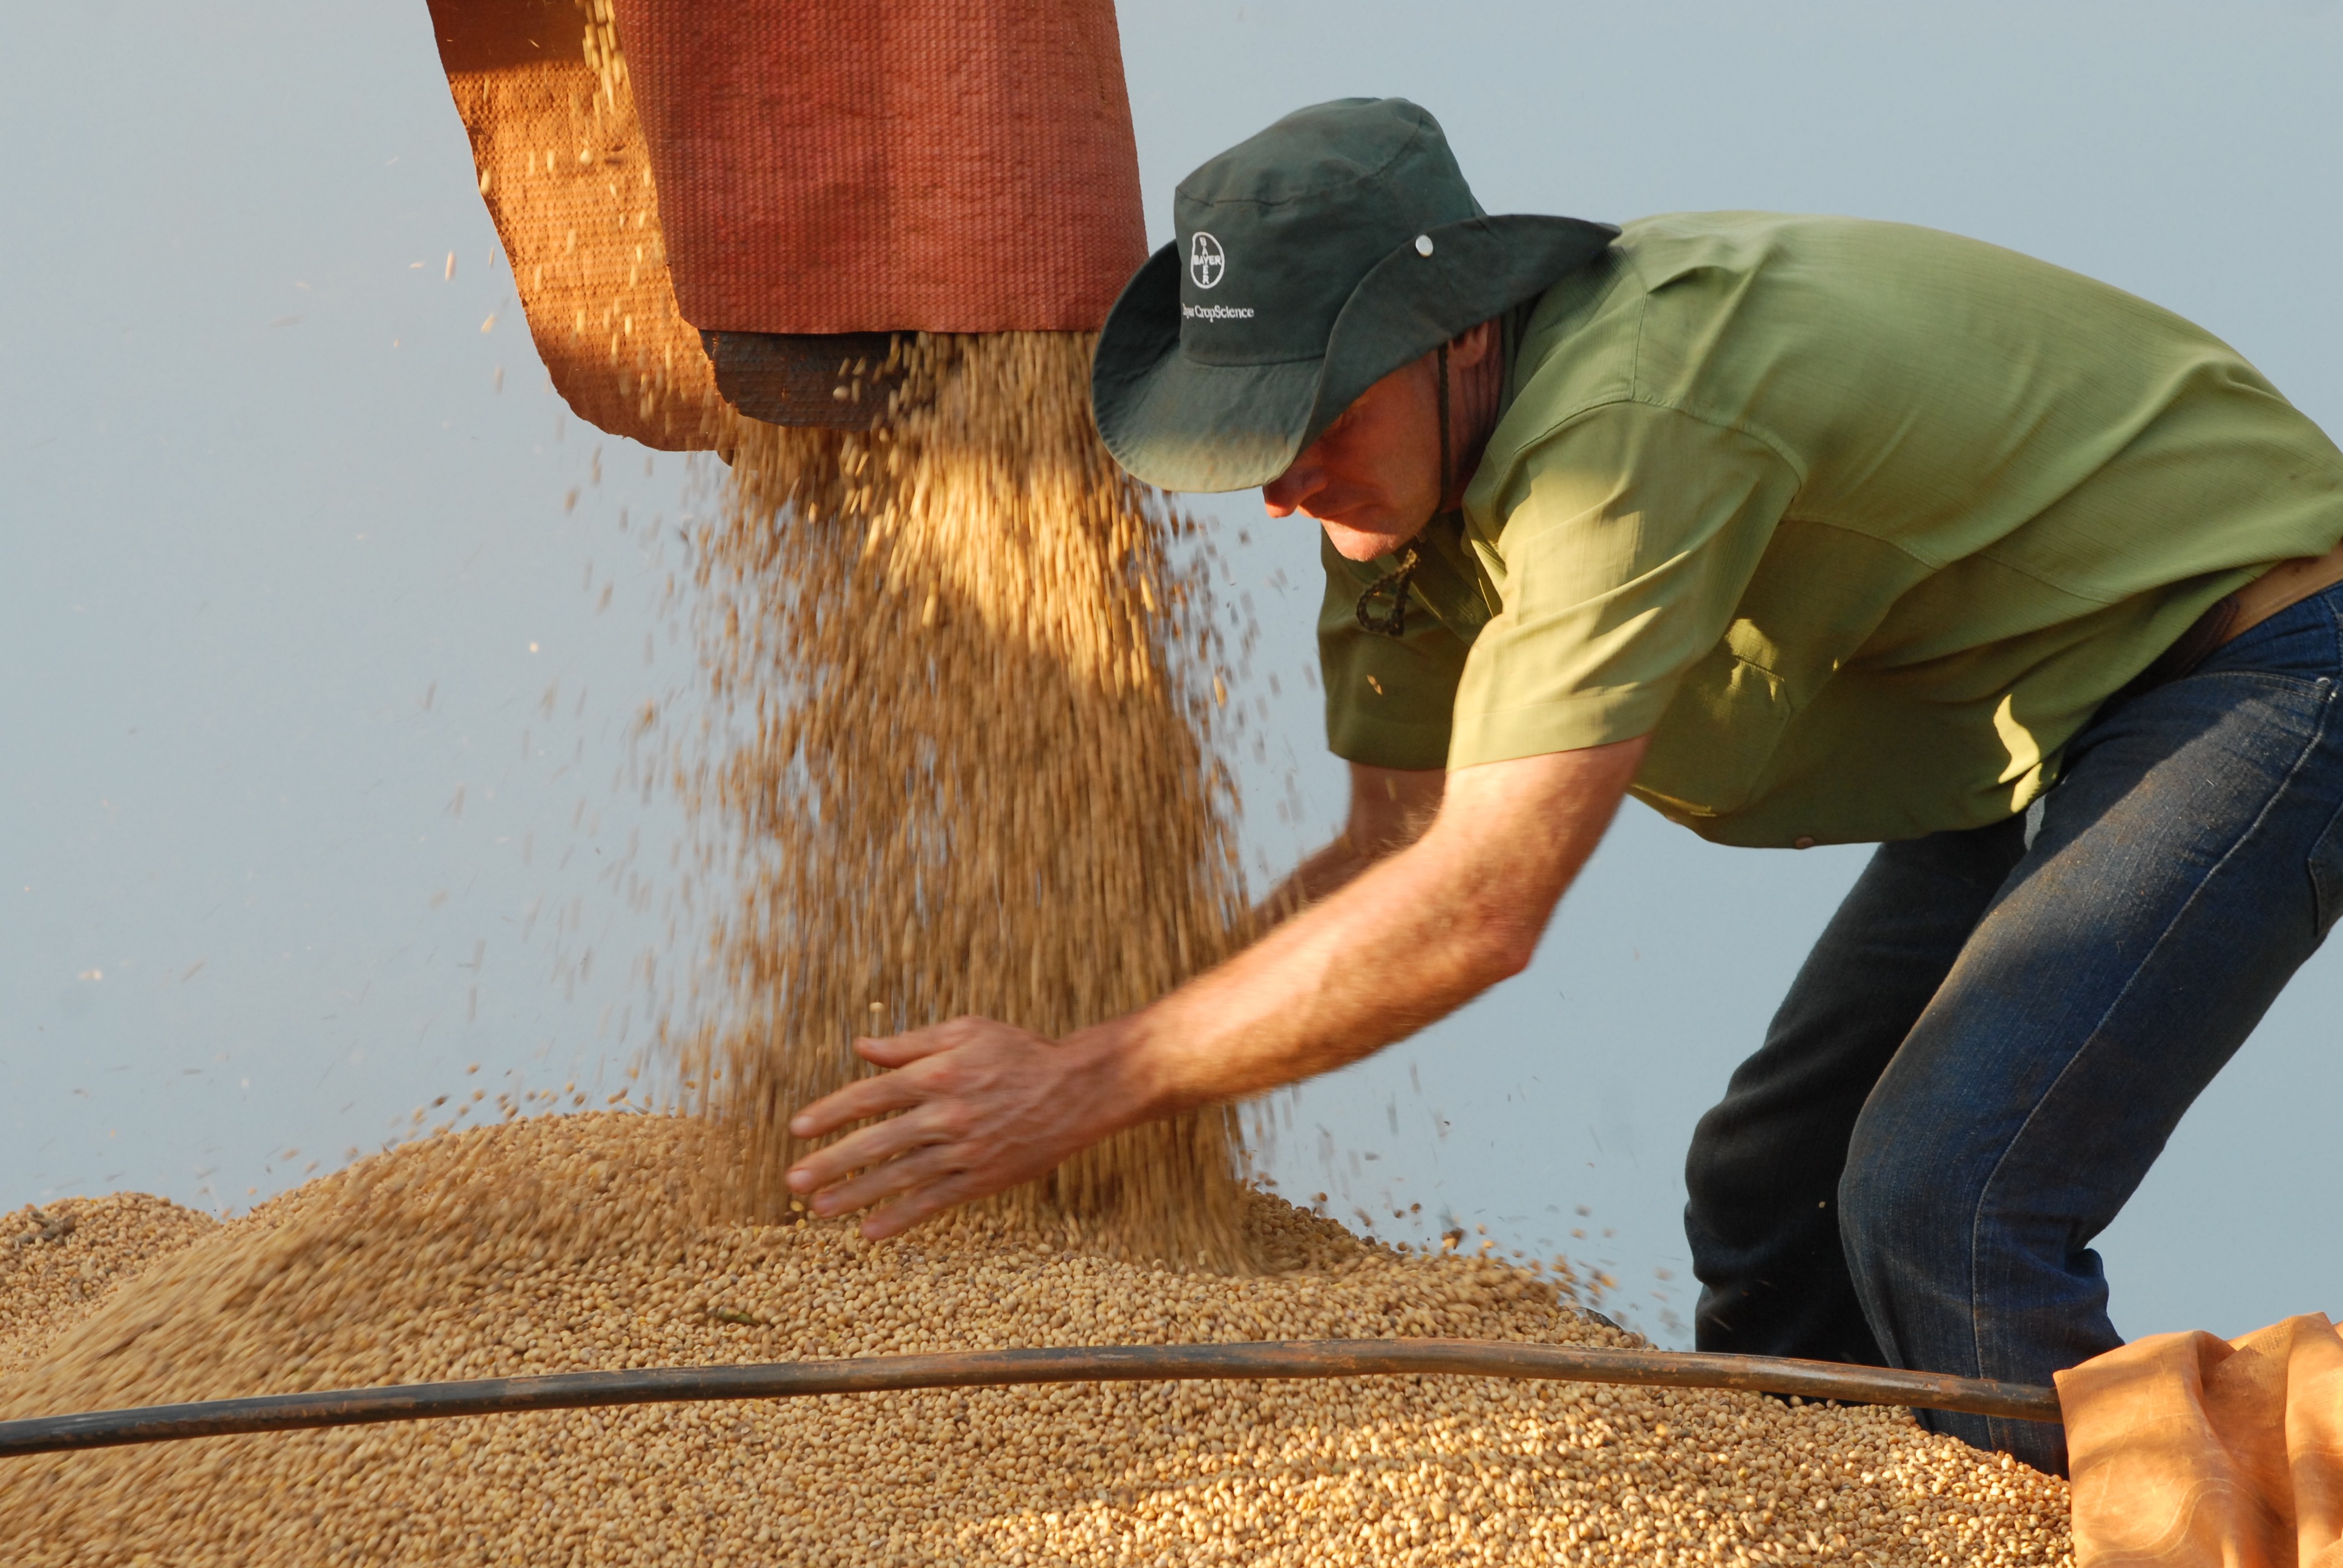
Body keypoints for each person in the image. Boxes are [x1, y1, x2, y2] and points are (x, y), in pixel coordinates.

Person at [784, 97, 2343, 1474]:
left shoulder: (1615, 428)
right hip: (2039, 714)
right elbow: (1386, 858)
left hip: (2261, 654)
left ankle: (2131, 1527)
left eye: (1310, 416)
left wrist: (1087, 1087)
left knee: (1950, 1194)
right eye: (1245, 437)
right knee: (1771, 1190)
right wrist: (1095, 1054)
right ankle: (1824, 1516)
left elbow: (1475, 908)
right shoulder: (1390, 509)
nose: (1278, 484)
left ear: (1462, 328)